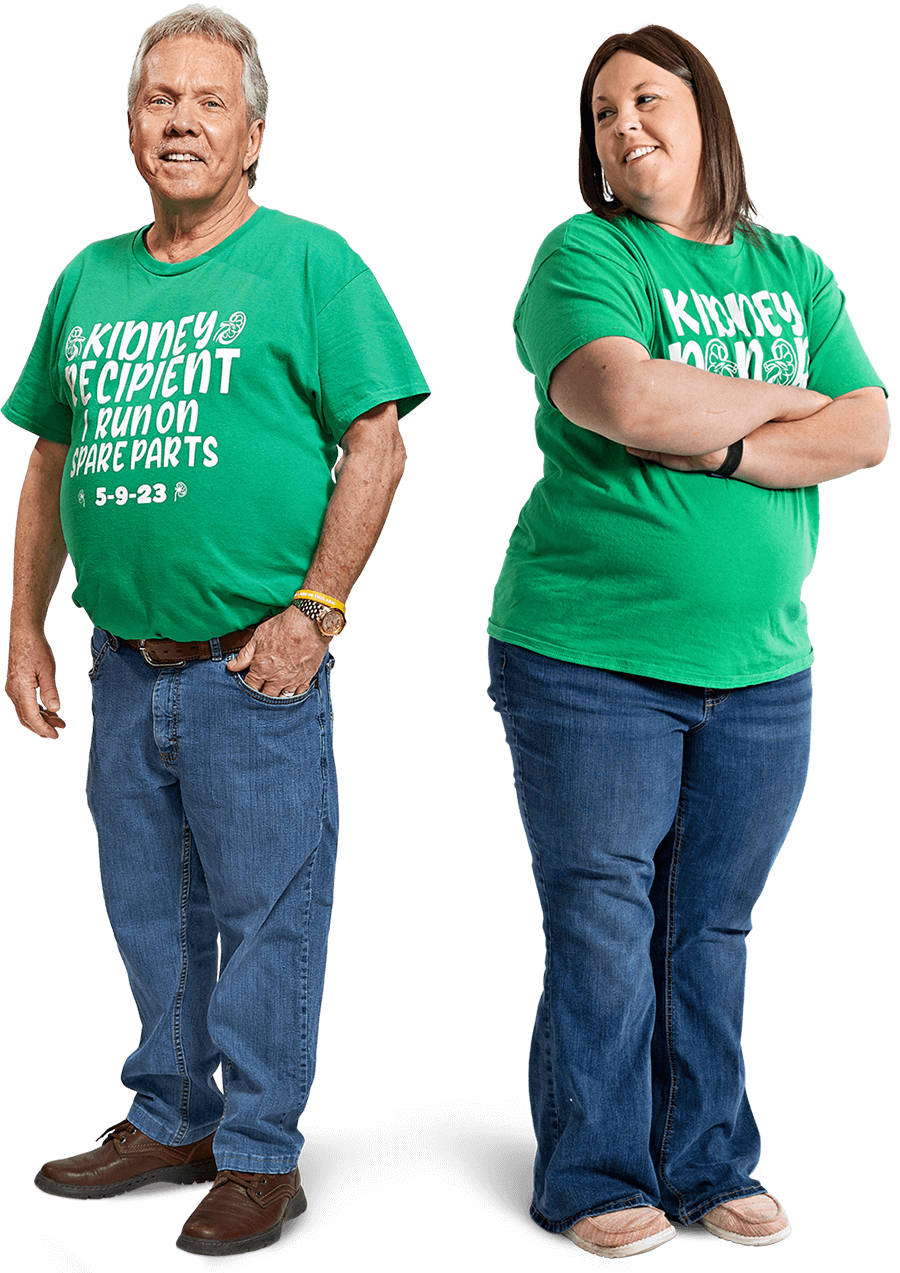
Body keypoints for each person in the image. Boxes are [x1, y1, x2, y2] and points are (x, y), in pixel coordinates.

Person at [4, 4, 428, 1257]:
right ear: (132, 128)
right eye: (157, 101)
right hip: (123, 662)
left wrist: (318, 612)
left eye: (206, 103)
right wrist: (26, 628)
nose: (179, 121)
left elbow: (379, 442)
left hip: (258, 666)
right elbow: (50, 456)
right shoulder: (89, 276)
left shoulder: (312, 263)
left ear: (252, 134)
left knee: (265, 914)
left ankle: (256, 1154)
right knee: (146, 909)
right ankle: (171, 1117)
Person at [486, 23, 888, 1259]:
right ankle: (599, 1175)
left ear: (706, 115)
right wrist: (777, 416)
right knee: (603, 917)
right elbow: (623, 396)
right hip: (588, 658)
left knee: (712, 922)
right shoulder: (582, 254)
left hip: (766, 667)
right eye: (602, 114)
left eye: (647, 100)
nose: (623, 129)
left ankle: (713, 1162)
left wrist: (712, 436)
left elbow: (868, 427)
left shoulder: (794, 267)